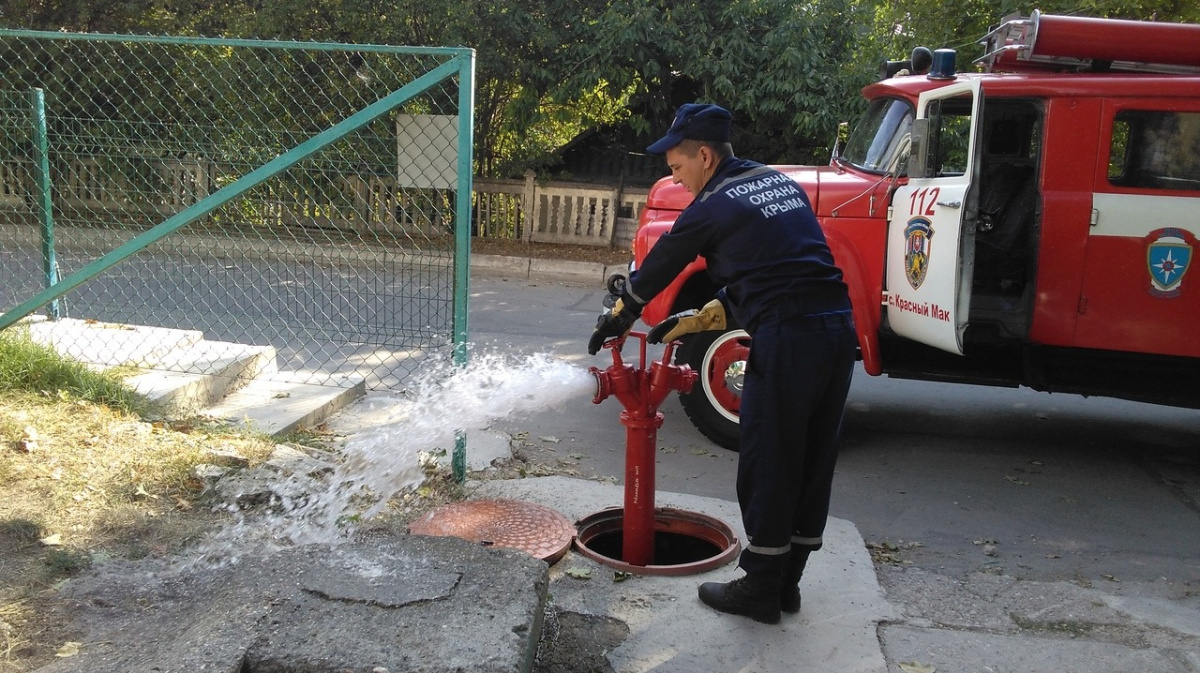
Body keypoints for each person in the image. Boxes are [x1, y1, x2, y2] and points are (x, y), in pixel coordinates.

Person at [588, 103, 857, 625]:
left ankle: (759, 588)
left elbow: (660, 264)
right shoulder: (776, 184)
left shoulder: (713, 205)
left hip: (788, 338)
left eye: (676, 167)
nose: (676, 178)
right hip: (835, 332)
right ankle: (786, 584)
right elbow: (780, 267)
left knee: (769, 459)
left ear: (704, 155)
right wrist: (695, 320)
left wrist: (620, 317)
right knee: (810, 457)